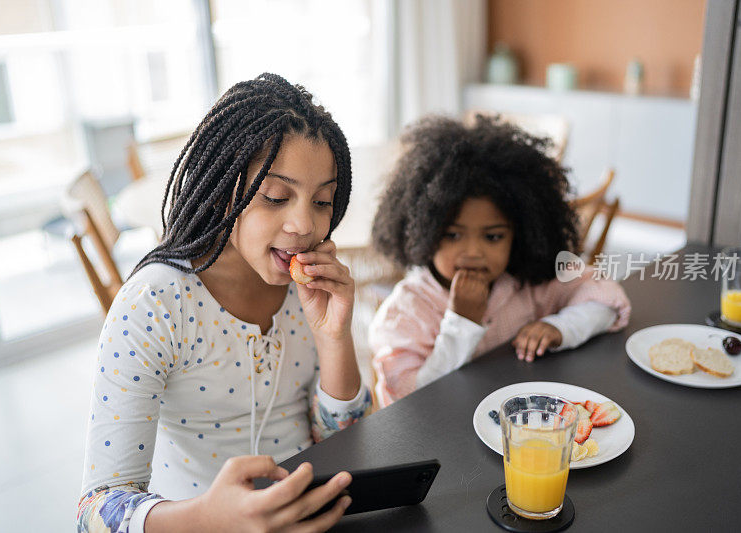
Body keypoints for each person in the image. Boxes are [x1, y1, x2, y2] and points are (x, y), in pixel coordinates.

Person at [78, 73, 372, 533]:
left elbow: (345, 446)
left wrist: (334, 338)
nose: (304, 224)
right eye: (276, 196)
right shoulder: (154, 304)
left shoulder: (310, 292)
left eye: (322, 201)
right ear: (223, 186)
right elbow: (95, 510)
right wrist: (211, 518)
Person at [368, 115, 631, 407]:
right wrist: (462, 322)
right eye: (453, 236)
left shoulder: (524, 280)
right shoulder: (407, 310)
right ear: (424, 232)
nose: (473, 252)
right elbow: (408, 402)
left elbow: (606, 300)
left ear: (518, 234)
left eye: (492, 237)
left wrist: (560, 329)